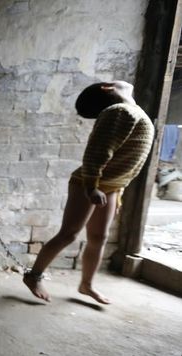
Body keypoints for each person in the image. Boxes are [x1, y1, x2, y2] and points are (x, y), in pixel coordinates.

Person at [23, 80, 154, 304]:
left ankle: (87, 285)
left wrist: (117, 192)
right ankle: (33, 276)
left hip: (111, 186)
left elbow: (126, 161)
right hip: (89, 183)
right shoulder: (119, 111)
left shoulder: (133, 112)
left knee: (99, 237)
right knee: (69, 234)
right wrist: (91, 187)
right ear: (107, 87)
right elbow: (96, 153)